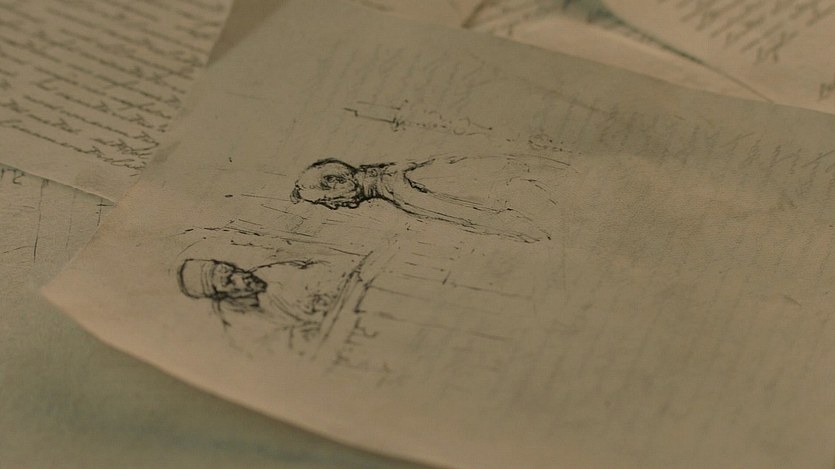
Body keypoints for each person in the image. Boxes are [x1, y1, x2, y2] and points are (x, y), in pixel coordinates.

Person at [291, 155, 567, 242]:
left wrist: (543, 234)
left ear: (338, 182)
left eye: (325, 200)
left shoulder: (410, 179)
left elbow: (514, 184)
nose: (332, 207)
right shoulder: (394, 189)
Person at [177, 256, 361, 352]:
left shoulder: (271, 272)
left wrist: (324, 293)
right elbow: (280, 351)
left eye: (231, 270)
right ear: (220, 296)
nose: (241, 277)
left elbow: (327, 273)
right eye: (229, 282)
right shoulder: (238, 323)